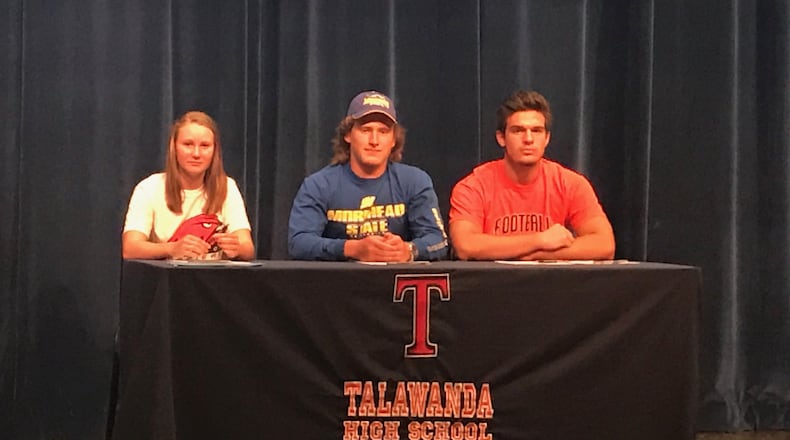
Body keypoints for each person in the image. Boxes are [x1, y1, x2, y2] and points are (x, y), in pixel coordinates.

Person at [449, 90, 615, 261]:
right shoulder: (474, 186)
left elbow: (604, 244)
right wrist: (539, 240)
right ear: (501, 138)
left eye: (536, 131)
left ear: (547, 138)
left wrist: (536, 254)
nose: (528, 139)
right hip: (493, 286)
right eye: (518, 130)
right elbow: (466, 246)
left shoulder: (571, 183)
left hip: (552, 285)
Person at [288, 90, 448, 262]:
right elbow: (298, 243)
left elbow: (438, 241)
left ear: (394, 140)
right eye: (365, 130)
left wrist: (408, 250)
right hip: (337, 284)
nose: (374, 140)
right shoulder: (319, 185)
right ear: (348, 135)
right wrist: (352, 248)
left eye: (383, 131)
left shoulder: (415, 181)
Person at [122, 111, 255, 260]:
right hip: (165, 281)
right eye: (188, 144)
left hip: (214, 280)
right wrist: (171, 249)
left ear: (214, 151)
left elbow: (247, 248)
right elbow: (130, 248)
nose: (196, 154)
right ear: (174, 148)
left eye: (205, 145)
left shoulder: (227, 186)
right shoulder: (149, 187)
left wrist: (236, 248)